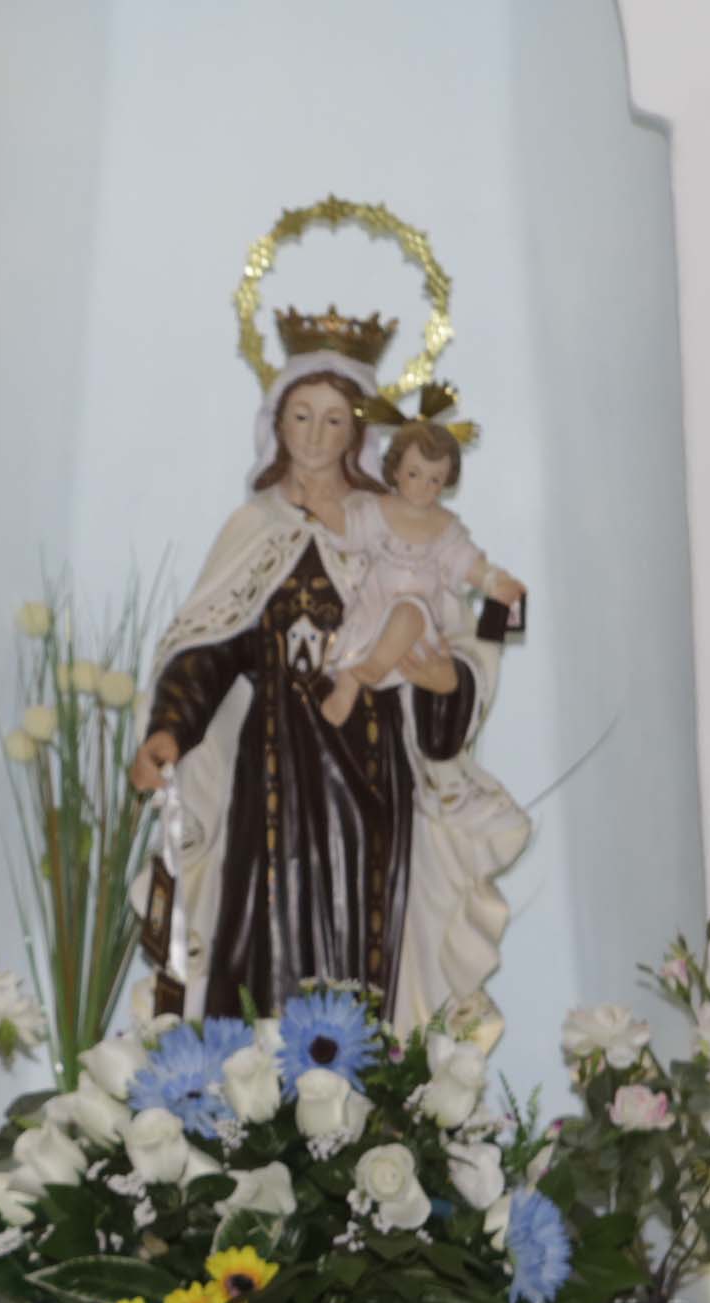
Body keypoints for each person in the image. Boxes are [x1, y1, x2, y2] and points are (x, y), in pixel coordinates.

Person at [129, 312, 524, 1032]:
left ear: (359, 435)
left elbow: (451, 635)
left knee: (358, 933)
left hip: (369, 769)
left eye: (334, 420)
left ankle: (358, 1115)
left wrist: (446, 686)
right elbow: (213, 646)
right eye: (301, 416)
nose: (314, 435)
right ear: (277, 422)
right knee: (262, 941)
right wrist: (170, 729)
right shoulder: (255, 529)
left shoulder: (392, 526)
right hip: (273, 774)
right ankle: (247, 1110)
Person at [318, 411, 528, 728]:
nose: (423, 487)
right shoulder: (378, 510)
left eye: (435, 480)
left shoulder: (444, 527)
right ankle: (346, 693)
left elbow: (466, 562)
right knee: (351, 658)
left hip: (418, 627)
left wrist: (493, 580)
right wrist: (324, 506)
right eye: (415, 474)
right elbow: (350, 530)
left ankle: (376, 666)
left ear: (446, 483)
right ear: (397, 470)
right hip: (372, 613)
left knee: (409, 610)